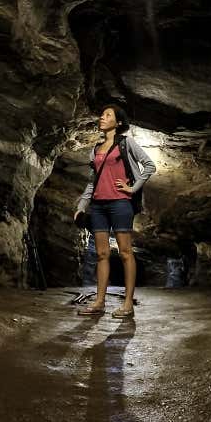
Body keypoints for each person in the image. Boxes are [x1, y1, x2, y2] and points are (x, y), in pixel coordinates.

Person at [73, 105, 156, 317]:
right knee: (102, 254)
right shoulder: (96, 150)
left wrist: (132, 187)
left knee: (126, 253)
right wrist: (82, 206)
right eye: (102, 114)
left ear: (118, 122)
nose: (102, 117)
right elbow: (92, 182)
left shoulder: (126, 143)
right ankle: (99, 302)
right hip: (98, 206)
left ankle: (127, 303)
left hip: (120, 203)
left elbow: (149, 165)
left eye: (107, 115)